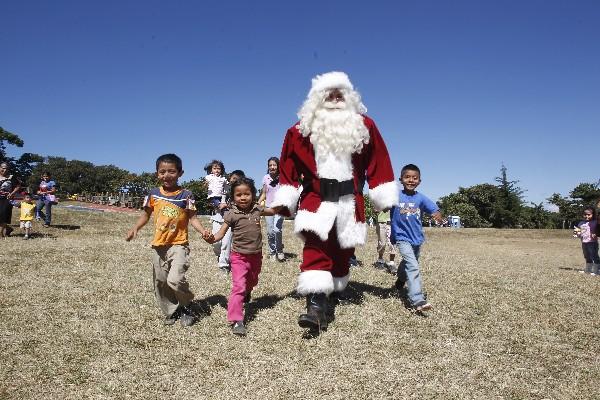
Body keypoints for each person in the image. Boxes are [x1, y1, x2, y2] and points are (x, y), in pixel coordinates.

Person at [270, 71, 398, 331]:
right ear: (318, 98)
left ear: (350, 96)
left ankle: (337, 284)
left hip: (350, 198)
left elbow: (379, 159)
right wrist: (287, 197)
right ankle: (316, 305)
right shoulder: (300, 130)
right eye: (329, 93)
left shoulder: (365, 126)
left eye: (340, 93)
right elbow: (288, 165)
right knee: (316, 246)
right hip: (315, 198)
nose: (335, 97)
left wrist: (381, 192)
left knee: (342, 250)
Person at [126, 153, 211, 327]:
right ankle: (173, 310)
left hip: (179, 244)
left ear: (180, 173)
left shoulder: (186, 195)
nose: (166, 175)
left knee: (175, 279)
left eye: (171, 171)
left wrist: (203, 232)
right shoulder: (153, 194)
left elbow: (193, 218)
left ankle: (187, 305)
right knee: (161, 282)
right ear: (157, 173)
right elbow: (146, 215)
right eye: (162, 171)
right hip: (159, 245)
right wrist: (135, 228)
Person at [206, 177, 280, 336]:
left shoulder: (257, 209)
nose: (243, 197)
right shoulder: (232, 214)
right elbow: (220, 233)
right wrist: (212, 238)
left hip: (256, 256)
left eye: (247, 194)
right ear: (233, 197)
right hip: (238, 256)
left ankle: (247, 291)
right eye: (239, 195)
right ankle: (236, 319)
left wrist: (285, 201)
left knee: (252, 281)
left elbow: (273, 211)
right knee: (238, 286)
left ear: (253, 195)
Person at [390, 164, 444, 312]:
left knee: (408, 263)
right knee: (413, 265)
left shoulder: (420, 198)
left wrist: (437, 215)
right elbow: (383, 204)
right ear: (401, 179)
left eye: (415, 178)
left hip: (417, 238)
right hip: (401, 237)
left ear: (419, 181)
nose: (411, 180)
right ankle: (417, 299)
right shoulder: (395, 196)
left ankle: (400, 281)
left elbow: (434, 208)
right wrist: (380, 206)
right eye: (407, 177)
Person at [210, 169, 246, 274]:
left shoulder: (240, 192)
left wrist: (228, 205)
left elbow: (242, 204)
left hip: (231, 220)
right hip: (217, 217)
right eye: (233, 178)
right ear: (229, 178)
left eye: (237, 179)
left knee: (226, 243)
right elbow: (212, 199)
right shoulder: (220, 186)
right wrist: (217, 204)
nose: (234, 181)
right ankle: (219, 255)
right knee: (216, 242)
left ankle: (224, 266)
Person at [258, 157, 286, 261]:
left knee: (277, 230)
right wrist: (258, 202)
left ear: (278, 166)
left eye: (274, 165)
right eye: (270, 165)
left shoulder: (283, 177)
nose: (272, 167)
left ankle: (279, 250)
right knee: (270, 231)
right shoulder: (266, 177)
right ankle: (272, 252)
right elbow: (264, 193)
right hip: (268, 208)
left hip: (280, 207)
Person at [573, 207, 599, 275]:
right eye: (585, 214)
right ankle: (588, 270)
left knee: (594, 256)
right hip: (584, 242)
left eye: (589, 214)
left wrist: (596, 233)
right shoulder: (581, 223)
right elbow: (577, 231)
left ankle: (597, 271)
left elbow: (599, 230)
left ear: (593, 214)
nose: (586, 216)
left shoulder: (595, 222)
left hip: (592, 242)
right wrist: (577, 234)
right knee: (587, 256)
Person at [0, 161, 22, 237]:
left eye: (6, 168)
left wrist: (12, 193)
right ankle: (8, 229)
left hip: (7, 199)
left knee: (4, 214)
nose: (5, 170)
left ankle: (1, 233)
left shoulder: (11, 177)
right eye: (3, 168)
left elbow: (18, 186)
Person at [374, 209, 397, 274]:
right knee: (382, 243)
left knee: (392, 243)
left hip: (393, 222)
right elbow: (375, 210)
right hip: (381, 222)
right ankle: (380, 260)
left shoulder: (396, 198)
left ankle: (391, 263)